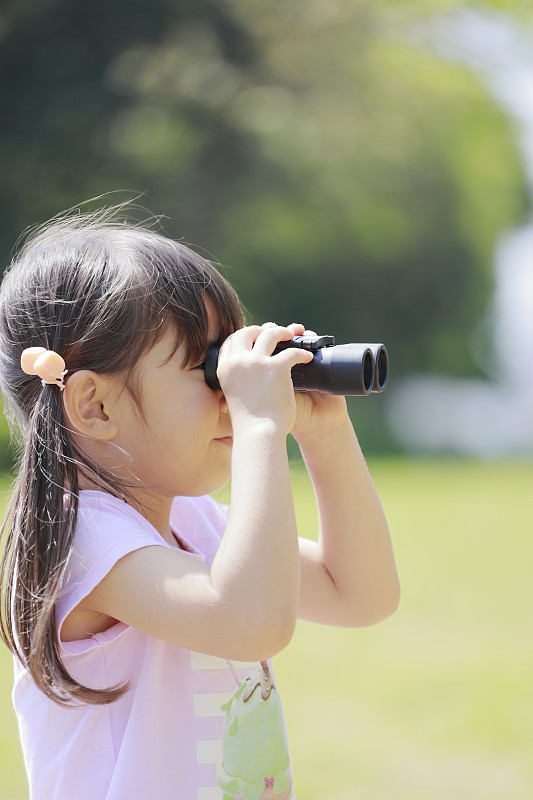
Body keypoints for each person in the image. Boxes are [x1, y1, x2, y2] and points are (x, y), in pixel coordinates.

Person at [0, 203, 400, 800]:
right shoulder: (83, 542)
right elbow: (250, 623)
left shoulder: (191, 522)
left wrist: (324, 433)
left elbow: (361, 594)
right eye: (210, 371)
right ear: (95, 405)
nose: (230, 394)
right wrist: (261, 425)